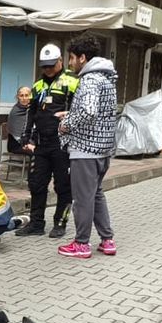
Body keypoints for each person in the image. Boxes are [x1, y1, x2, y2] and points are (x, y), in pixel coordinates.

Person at [56, 36, 118, 260]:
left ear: (82, 58)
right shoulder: (106, 78)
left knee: (82, 199)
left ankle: (81, 243)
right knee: (96, 194)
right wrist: (72, 113)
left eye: (72, 58)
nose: (70, 63)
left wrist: (66, 123)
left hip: (85, 150)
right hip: (103, 149)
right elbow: (99, 112)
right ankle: (107, 240)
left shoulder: (90, 79)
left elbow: (89, 111)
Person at [16, 44, 78, 239]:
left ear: (60, 61)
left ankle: (60, 223)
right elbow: (31, 113)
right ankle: (36, 224)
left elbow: (80, 111)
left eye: (51, 65)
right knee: (36, 183)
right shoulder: (37, 86)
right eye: (44, 66)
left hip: (63, 144)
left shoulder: (73, 81)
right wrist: (26, 134)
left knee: (63, 186)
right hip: (41, 144)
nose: (48, 69)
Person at [7, 86, 32, 153]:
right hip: (16, 144)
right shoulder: (15, 111)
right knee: (40, 152)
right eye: (21, 96)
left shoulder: (32, 109)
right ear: (18, 97)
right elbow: (16, 135)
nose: (24, 98)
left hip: (30, 142)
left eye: (26, 95)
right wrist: (28, 144)